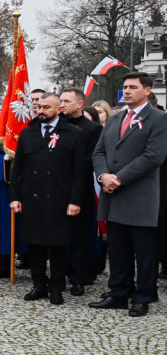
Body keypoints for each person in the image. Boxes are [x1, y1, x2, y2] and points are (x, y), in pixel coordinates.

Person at [91, 72, 167, 317]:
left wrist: (119, 178)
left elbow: (153, 156)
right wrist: (104, 176)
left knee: (144, 252)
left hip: (140, 195)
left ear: (147, 90)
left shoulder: (159, 119)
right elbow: (99, 151)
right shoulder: (115, 119)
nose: (127, 91)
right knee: (118, 248)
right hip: (112, 194)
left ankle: (143, 297)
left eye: (133, 87)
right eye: (125, 87)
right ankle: (118, 292)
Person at [10, 92, 88, 304]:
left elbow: (79, 171)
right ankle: (39, 284)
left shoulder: (74, 134)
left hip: (59, 199)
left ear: (58, 109)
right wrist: (14, 196)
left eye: (47, 107)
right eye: (39, 107)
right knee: (34, 245)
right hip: (31, 198)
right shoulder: (28, 133)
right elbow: (18, 168)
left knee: (57, 246)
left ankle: (56, 286)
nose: (41, 111)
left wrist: (75, 200)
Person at [60, 88, 103, 295]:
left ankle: (78, 277)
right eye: (61, 100)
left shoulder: (93, 129)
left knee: (80, 237)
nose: (62, 104)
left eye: (67, 101)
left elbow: (92, 158)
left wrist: (66, 163)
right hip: (57, 189)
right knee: (58, 235)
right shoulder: (56, 125)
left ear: (79, 104)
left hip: (81, 190)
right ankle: (59, 274)